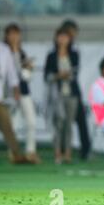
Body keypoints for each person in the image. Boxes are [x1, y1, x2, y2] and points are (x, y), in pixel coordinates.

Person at [0, 21, 31, 164]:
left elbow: (11, 72)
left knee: (7, 126)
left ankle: (17, 155)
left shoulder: (3, 50)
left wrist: (15, 89)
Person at [4, 23, 41, 164]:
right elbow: (8, 72)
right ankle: (13, 153)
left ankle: (30, 152)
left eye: (16, 34)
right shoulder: (2, 51)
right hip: (9, 93)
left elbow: (26, 76)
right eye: (11, 34)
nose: (14, 37)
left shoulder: (22, 53)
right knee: (13, 124)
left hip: (24, 91)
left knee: (31, 122)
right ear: (6, 36)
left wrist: (28, 68)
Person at [44, 27, 79, 164]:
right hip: (57, 94)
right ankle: (57, 153)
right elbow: (47, 76)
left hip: (71, 93)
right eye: (60, 36)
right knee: (58, 123)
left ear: (70, 39)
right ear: (56, 38)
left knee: (69, 124)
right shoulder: (51, 56)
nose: (63, 39)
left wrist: (67, 75)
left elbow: (75, 72)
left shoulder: (74, 54)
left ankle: (68, 154)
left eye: (66, 37)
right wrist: (59, 75)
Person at [60, 19, 92, 160]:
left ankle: (85, 150)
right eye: (70, 33)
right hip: (59, 92)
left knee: (81, 120)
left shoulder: (74, 52)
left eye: (74, 33)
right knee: (62, 122)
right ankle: (62, 150)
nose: (72, 36)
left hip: (73, 90)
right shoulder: (55, 52)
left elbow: (74, 70)